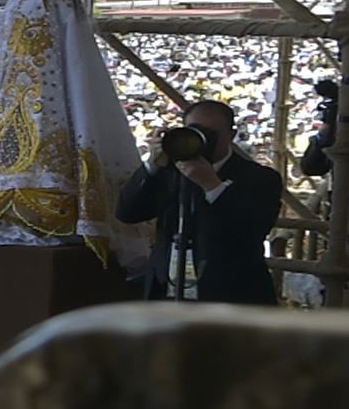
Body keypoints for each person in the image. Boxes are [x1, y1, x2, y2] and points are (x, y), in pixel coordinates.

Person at [114, 95, 284, 305]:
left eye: (211, 133)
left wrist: (212, 185)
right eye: (194, 131)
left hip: (229, 297)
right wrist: (151, 166)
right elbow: (128, 212)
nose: (203, 139)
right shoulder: (170, 170)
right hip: (166, 291)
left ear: (231, 135)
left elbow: (252, 230)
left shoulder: (260, 177)